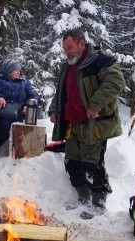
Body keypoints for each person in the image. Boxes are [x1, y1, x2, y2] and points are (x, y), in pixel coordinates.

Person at [48, 29, 125, 219]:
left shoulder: (99, 61)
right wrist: (53, 110)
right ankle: (83, 199)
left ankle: (98, 206)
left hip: (93, 124)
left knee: (93, 165)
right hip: (72, 124)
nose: (67, 52)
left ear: (82, 43)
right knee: (72, 164)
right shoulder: (68, 66)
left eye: (70, 47)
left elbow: (116, 81)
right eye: (65, 48)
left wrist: (96, 104)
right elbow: (62, 93)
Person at [0, 59, 38, 157]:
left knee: (29, 125)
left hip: (20, 115)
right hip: (0, 116)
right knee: (6, 124)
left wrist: (27, 105)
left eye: (19, 69)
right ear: (8, 70)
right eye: (16, 69)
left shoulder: (25, 83)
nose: (18, 72)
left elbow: (33, 96)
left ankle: (26, 157)